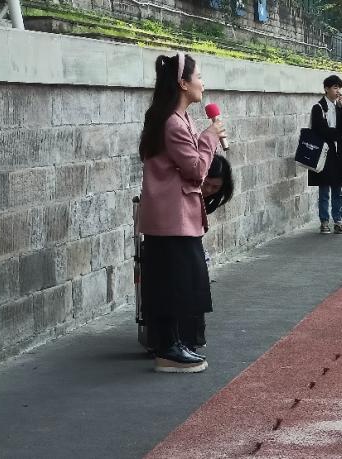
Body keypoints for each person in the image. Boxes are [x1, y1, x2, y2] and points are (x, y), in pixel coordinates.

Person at [137, 52, 225, 373]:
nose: (203, 82)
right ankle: (168, 350)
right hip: (172, 219)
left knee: (177, 282)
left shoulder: (176, 118)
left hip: (175, 217)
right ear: (183, 84)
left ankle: (174, 345)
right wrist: (210, 138)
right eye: (198, 76)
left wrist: (203, 138)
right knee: (174, 284)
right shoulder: (173, 123)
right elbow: (196, 170)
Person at [310, 75, 342, 234]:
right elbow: (320, 130)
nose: (338, 91)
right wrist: (335, 133)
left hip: (338, 152)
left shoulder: (339, 107)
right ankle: (324, 221)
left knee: (338, 188)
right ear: (326, 89)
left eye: (339, 88)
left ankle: (338, 220)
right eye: (335, 87)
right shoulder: (318, 107)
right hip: (324, 152)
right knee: (324, 189)